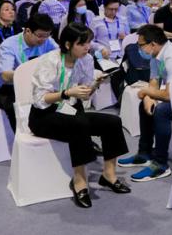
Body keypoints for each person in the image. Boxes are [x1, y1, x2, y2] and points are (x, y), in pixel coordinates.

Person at [27, 23, 130, 208]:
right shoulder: (50, 61)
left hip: (72, 109)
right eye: (82, 44)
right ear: (68, 44)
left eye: (88, 43)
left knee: (113, 121)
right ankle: (80, 181)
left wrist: (95, 84)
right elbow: (40, 99)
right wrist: (67, 93)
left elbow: (85, 95)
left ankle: (109, 175)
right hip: (44, 115)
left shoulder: (86, 59)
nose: (87, 47)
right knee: (78, 124)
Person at [117, 24, 172, 182]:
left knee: (162, 110)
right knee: (145, 105)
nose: (138, 49)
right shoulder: (155, 56)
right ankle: (144, 153)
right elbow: (153, 82)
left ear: (153, 44)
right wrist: (147, 97)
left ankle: (161, 163)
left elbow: (169, 95)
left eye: (140, 45)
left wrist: (145, 93)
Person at [0, 14, 59, 133]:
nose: (43, 40)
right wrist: (27, 74)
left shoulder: (47, 41)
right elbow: (5, 75)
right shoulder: (9, 45)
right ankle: (22, 139)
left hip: (38, 86)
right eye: (40, 36)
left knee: (62, 101)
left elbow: (60, 57)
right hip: (10, 89)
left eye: (47, 35)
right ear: (28, 31)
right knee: (18, 112)